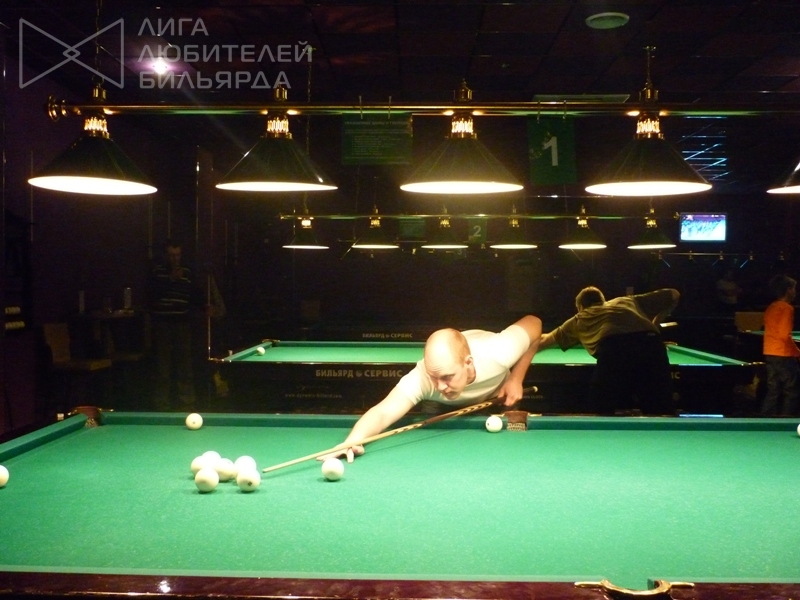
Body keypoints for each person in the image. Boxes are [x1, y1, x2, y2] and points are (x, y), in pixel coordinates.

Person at [324, 315, 542, 463]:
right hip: (441, 409)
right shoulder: (423, 377)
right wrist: (353, 440)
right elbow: (383, 412)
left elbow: (535, 323)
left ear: (468, 363)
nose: (439, 386)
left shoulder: (499, 351)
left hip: (496, 397)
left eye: (447, 377)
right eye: (433, 377)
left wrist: (516, 378)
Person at [538, 286, 680, 415]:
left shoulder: (580, 317)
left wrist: (524, 349)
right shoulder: (627, 301)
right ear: (603, 301)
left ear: (580, 307)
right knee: (661, 409)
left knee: (601, 408)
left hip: (615, 350)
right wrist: (655, 323)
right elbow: (674, 294)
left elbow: (544, 341)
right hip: (652, 344)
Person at [149, 240, 226, 411]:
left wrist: (205, 306)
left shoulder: (188, 273)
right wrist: (171, 279)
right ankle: (161, 402)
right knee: (163, 365)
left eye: (177, 255)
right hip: (163, 323)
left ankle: (187, 400)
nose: (175, 259)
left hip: (182, 323)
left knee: (184, 363)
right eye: (171, 255)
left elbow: (194, 296)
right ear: (166, 256)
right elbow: (153, 293)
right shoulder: (157, 272)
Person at [761, 274, 800, 417]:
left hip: (770, 352)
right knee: (792, 389)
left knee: (773, 389)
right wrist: (797, 351)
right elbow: (784, 335)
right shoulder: (787, 308)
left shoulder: (771, 307)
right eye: (793, 288)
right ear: (788, 290)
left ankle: (766, 419)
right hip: (783, 354)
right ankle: (786, 419)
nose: (795, 291)